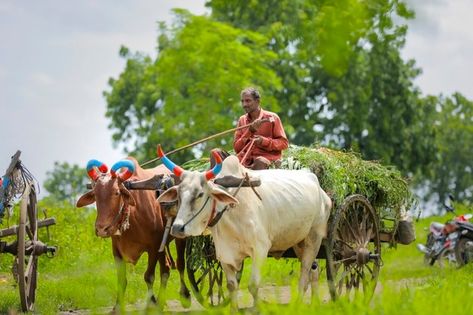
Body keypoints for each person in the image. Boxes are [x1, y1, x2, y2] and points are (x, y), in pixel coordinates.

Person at [233, 87, 288, 170]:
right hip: (245, 161)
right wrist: (249, 131)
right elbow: (237, 149)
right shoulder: (242, 120)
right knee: (217, 153)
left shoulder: (272, 118)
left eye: (248, 101)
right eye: (242, 101)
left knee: (260, 161)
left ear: (257, 101)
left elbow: (284, 143)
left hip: (265, 161)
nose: (244, 105)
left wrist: (263, 141)